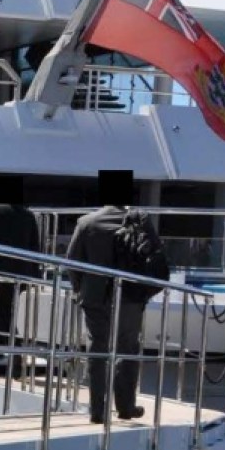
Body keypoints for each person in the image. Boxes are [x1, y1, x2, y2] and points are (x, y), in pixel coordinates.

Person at [66, 171, 165, 424]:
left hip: (96, 296)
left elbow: (72, 261)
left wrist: (80, 289)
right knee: (128, 348)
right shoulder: (140, 220)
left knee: (98, 349)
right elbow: (156, 260)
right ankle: (125, 406)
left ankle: (97, 411)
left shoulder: (86, 223)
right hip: (131, 296)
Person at [0, 175, 41, 374]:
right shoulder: (28, 215)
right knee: (13, 311)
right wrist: (35, 274)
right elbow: (35, 246)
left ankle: (7, 348)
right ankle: (5, 346)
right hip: (23, 272)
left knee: (3, 309)